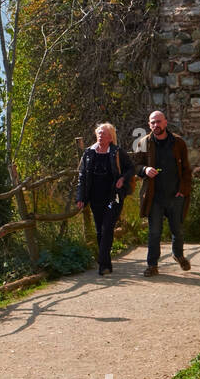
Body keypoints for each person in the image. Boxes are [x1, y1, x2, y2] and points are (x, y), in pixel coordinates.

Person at [135, 110, 192, 276]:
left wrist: (183, 191)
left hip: (175, 195)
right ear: (149, 124)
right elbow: (135, 166)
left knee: (178, 230)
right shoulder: (144, 142)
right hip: (154, 197)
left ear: (165, 123)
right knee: (154, 232)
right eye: (152, 122)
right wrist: (145, 169)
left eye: (158, 122)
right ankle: (152, 265)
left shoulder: (178, 142)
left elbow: (186, 170)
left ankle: (178, 255)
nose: (156, 125)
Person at [75, 122, 134, 276]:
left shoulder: (117, 152)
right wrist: (80, 197)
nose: (101, 135)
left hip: (113, 197)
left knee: (107, 228)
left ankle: (102, 264)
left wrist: (122, 179)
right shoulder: (88, 153)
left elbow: (130, 168)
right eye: (99, 132)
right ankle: (106, 263)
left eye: (104, 133)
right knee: (100, 231)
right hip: (95, 198)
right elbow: (82, 176)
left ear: (110, 137)